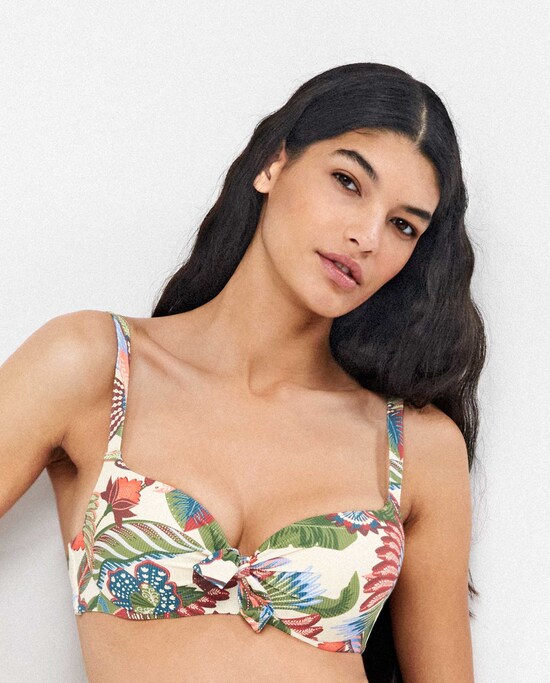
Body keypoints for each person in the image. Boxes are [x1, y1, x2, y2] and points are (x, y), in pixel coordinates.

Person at [0, 62, 484, 682]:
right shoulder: (95, 366)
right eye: (347, 181)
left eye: (402, 225)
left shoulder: (419, 448)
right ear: (273, 164)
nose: (366, 236)